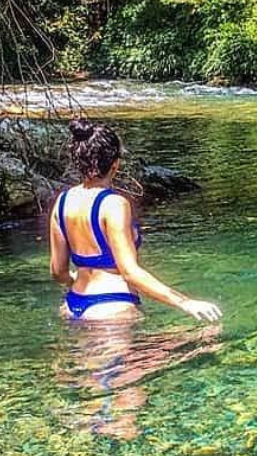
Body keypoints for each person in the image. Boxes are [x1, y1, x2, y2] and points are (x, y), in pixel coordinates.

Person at [50, 119, 222, 323]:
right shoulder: (114, 205)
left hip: (72, 304)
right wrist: (185, 302)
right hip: (111, 307)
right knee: (206, 336)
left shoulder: (62, 201)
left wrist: (75, 280)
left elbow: (58, 271)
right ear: (115, 165)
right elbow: (130, 272)